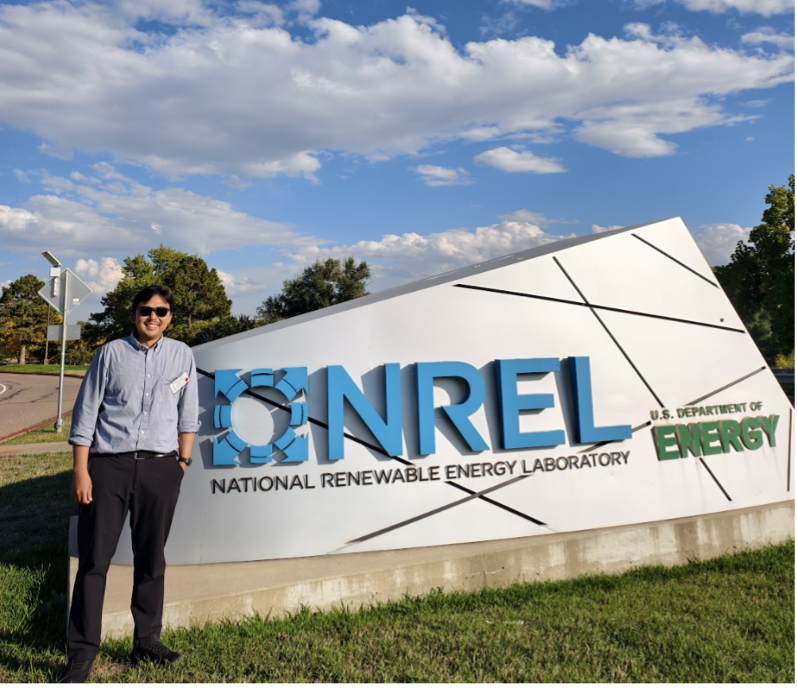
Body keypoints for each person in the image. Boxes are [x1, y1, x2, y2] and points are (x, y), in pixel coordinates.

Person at [58, 285, 199, 685]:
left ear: (170, 315)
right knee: (93, 563)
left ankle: (147, 641)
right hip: (109, 467)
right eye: (146, 310)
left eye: (162, 310)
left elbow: (188, 415)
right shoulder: (110, 354)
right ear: (133, 313)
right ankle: (82, 654)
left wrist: (181, 464)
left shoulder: (182, 354)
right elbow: (85, 416)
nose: (153, 317)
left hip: (161, 469)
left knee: (152, 559)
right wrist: (81, 471)